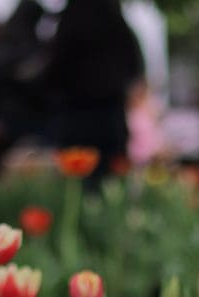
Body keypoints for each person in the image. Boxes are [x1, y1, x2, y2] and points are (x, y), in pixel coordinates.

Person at [44, 0, 143, 180]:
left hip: (79, 114)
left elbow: (56, 69)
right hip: (109, 115)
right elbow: (134, 66)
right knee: (109, 179)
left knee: (81, 182)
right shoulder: (117, 23)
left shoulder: (72, 19)